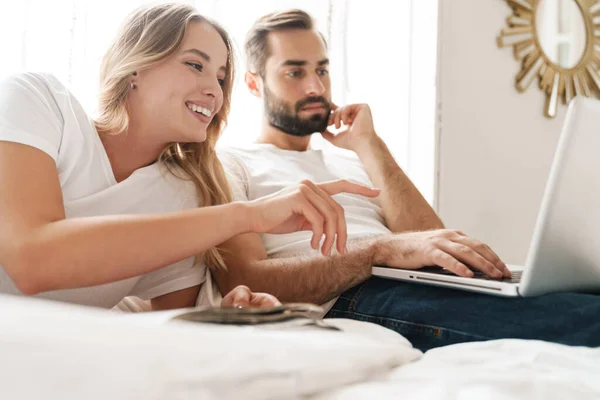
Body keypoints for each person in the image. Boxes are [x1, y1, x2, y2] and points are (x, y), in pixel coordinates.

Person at [208, 9, 600, 351]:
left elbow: (433, 242)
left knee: (576, 298)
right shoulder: (231, 163)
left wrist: (370, 145)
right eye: (294, 71)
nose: (315, 87)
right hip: (350, 297)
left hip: (417, 284)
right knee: (580, 319)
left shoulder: (355, 161)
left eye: (322, 70)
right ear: (255, 83)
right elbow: (243, 279)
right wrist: (377, 252)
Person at [0, 3, 379, 311]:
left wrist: (228, 316)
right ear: (136, 66)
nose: (214, 90)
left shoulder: (180, 195)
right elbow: (31, 261)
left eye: (220, 76)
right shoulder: (39, 102)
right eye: (195, 64)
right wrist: (246, 216)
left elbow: (165, 326)